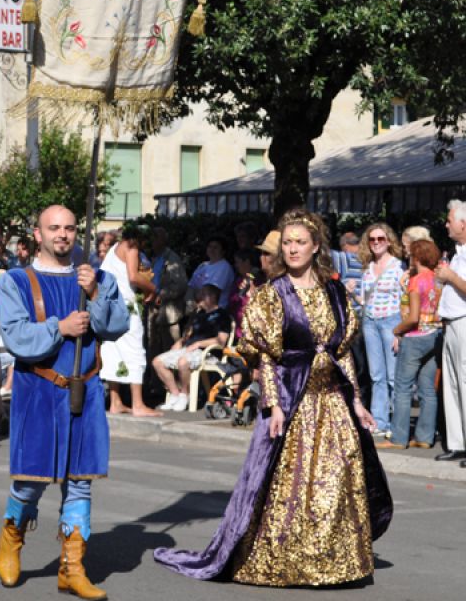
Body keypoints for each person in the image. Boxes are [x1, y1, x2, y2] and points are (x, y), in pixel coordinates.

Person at [154, 209, 393, 586]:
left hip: (331, 402)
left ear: (316, 247)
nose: (293, 248)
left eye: (301, 242)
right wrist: (273, 405)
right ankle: (284, 559)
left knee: (337, 479)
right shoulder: (270, 295)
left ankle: (335, 562)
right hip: (291, 400)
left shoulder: (335, 292)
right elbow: (264, 355)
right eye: (288, 242)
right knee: (288, 486)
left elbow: (342, 352)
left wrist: (358, 401)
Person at [0, 205, 128, 600]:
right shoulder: (15, 281)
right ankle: (11, 536)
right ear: (38, 234)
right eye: (54, 228)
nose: (63, 235)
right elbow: (17, 338)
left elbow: (117, 326)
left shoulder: (97, 277)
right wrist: (60, 327)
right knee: (31, 482)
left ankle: (72, 568)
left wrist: (95, 294)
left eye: (69, 228)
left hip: (84, 390)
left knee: (80, 481)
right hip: (38, 391)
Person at [381, 239, 442, 450]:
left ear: (417, 257)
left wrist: (397, 330)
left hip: (416, 337)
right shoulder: (437, 279)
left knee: (403, 388)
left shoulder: (417, 281)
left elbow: (413, 317)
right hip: (436, 335)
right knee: (427, 389)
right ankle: (425, 437)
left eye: (411, 256)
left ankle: (398, 438)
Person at [99, 225, 158, 416]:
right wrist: (153, 288)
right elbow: (133, 277)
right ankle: (138, 404)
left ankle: (115, 401)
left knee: (113, 351)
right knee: (135, 351)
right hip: (126, 308)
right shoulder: (131, 248)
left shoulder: (113, 249)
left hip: (109, 308)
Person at [355, 222, 404, 437]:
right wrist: (351, 294)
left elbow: (405, 300)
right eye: (372, 239)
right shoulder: (367, 268)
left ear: (389, 241)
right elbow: (366, 300)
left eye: (380, 239)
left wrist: (400, 331)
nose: (376, 243)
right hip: (370, 321)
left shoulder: (399, 266)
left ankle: (397, 423)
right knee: (376, 375)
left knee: (393, 375)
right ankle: (379, 421)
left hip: (391, 321)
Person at [151, 284, 232, 412]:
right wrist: (180, 341)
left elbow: (221, 341)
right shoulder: (199, 315)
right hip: (189, 349)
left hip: (207, 353)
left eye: (203, 294)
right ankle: (175, 394)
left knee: (183, 362)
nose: (199, 296)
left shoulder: (222, 315)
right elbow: (189, 335)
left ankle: (185, 395)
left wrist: (199, 344)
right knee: (157, 362)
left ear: (212, 297)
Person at [436, 200, 466, 464]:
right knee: (453, 383)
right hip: (451, 321)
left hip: (464, 321)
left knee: (465, 381)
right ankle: (457, 441)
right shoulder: (458, 252)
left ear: (463, 224)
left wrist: (450, 278)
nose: (446, 224)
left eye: (450, 220)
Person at [146, 226, 188, 381]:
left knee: (170, 351)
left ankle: (175, 386)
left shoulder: (172, 258)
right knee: (153, 349)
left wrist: (161, 294)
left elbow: (180, 285)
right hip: (153, 311)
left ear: (164, 240)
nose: (153, 241)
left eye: (156, 237)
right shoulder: (153, 258)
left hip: (169, 313)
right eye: (152, 237)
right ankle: (156, 387)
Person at [187, 235, 235, 308]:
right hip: (197, 309)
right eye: (210, 246)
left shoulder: (224, 267)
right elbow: (190, 287)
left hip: (214, 313)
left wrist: (194, 295)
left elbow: (209, 296)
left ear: (223, 251)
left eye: (215, 247)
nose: (211, 249)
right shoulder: (202, 265)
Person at [228, 247, 262, 331]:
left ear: (246, 262)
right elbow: (232, 301)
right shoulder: (238, 280)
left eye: (237, 262)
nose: (236, 265)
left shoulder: (260, 281)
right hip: (239, 330)